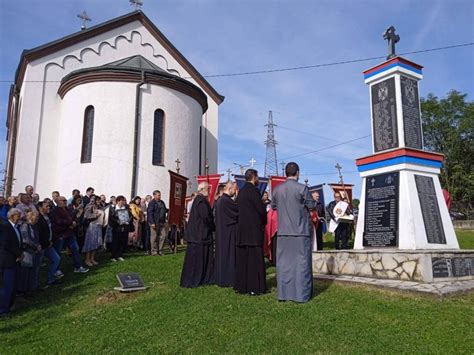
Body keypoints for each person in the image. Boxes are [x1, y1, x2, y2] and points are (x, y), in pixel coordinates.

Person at [272, 162, 317, 303]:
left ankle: (283, 294)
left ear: (286, 173)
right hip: (300, 231)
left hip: (283, 233)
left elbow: (273, 206)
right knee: (302, 264)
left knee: (284, 265)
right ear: (297, 172)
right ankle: (301, 295)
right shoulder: (302, 188)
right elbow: (311, 205)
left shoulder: (277, 190)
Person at [234, 169, 267, 295]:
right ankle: (255, 287)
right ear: (254, 177)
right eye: (257, 177)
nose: (258, 179)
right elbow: (261, 210)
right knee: (254, 260)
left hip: (242, 231)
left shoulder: (241, 192)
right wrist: (263, 222)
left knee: (243, 260)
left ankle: (241, 286)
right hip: (253, 232)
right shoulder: (254, 192)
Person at [180, 182, 215, 288]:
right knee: (196, 260)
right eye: (208, 189)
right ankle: (195, 279)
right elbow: (206, 217)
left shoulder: (199, 200)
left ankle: (204, 277)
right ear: (202, 189)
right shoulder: (201, 201)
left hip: (199, 235)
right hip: (199, 235)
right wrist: (213, 226)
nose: (209, 191)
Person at [50, 196, 89, 274]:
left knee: (75, 249)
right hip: (60, 234)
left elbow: (72, 217)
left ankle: (78, 266)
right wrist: (70, 223)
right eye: (63, 200)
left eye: (65, 200)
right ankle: (56, 270)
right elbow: (59, 221)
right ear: (57, 202)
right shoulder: (55, 211)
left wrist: (74, 222)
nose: (65, 201)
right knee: (58, 252)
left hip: (69, 233)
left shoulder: (67, 209)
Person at [214, 181, 238, 287]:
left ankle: (221, 277)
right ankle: (229, 278)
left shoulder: (220, 200)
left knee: (222, 255)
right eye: (234, 190)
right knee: (228, 255)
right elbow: (237, 213)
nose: (235, 192)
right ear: (230, 189)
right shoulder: (226, 201)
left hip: (221, 231)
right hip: (228, 232)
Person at [0, 208, 23, 316]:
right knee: (7, 285)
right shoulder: (5, 226)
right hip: (8, 260)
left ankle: (8, 306)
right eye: (18, 215)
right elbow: (6, 244)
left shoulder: (15, 227)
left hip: (15, 259)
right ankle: (3, 309)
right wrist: (18, 254)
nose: (20, 217)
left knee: (13, 284)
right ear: (12, 216)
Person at [36, 201, 61, 286]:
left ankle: (51, 279)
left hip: (49, 244)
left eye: (49, 206)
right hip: (41, 245)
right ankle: (34, 285)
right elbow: (38, 233)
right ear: (40, 208)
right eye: (46, 206)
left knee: (56, 259)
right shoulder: (38, 218)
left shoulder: (48, 216)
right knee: (37, 266)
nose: (49, 208)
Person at [17, 211, 41, 295]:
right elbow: (26, 240)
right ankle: (22, 291)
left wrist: (38, 245)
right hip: (27, 251)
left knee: (31, 271)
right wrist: (35, 246)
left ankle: (29, 288)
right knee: (25, 272)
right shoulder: (25, 226)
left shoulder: (34, 226)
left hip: (33, 251)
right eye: (36, 217)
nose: (37, 219)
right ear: (30, 217)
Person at [109, 195, 134, 262]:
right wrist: (118, 222)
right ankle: (113, 256)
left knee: (122, 241)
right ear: (118, 201)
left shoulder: (126, 208)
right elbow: (111, 218)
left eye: (123, 201)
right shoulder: (113, 208)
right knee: (115, 242)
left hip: (125, 227)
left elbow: (131, 216)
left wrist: (128, 221)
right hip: (117, 227)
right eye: (121, 201)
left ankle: (120, 255)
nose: (123, 202)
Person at [82, 196, 105, 266]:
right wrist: (96, 215)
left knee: (95, 243)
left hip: (98, 226)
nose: (99, 202)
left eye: (99, 200)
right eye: (97, 200)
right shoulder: (89, 206)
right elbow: (86, 215)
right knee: (90, 243)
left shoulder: (99, 207)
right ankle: (87, 259)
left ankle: (92, 258)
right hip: (92, 226)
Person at [147, 190, 168, 256]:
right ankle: (154, 251)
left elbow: (164, 210)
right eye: (158, 195)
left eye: (160, 195)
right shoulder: (152, 203)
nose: (159, 196)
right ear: (154, 195)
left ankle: (160, 250)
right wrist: (152, 222)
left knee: (163, 236)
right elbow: (150, 213)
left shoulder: (162, 202)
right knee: (154, 237)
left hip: (162, 222)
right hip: (155, 222)